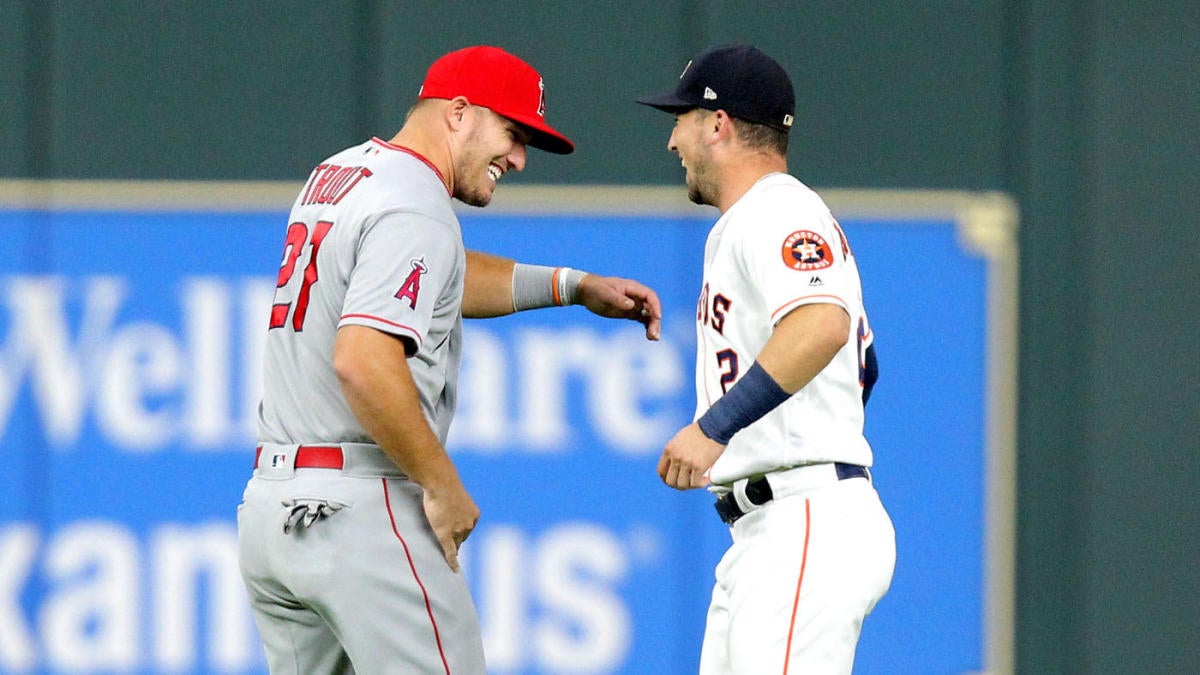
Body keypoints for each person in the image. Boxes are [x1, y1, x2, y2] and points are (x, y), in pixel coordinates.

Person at [237, 45, 662, 675]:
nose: (517, 159)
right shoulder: (416, 203)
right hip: (362, 505)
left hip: (273, 509)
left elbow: (437, 279)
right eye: (513, 134)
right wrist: (441, 485)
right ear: (459, 113)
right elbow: (362, 357)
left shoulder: (342, 172)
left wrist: (571, 285)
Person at [638, 44, 895, 674]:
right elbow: (863, 365)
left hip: (803, 517)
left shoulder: (777, 209)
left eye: (681, 120)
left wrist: (713, 427)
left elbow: (823, 324)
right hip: (769, 527)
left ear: (717, 123)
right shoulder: (755, 219)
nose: (673, 141)